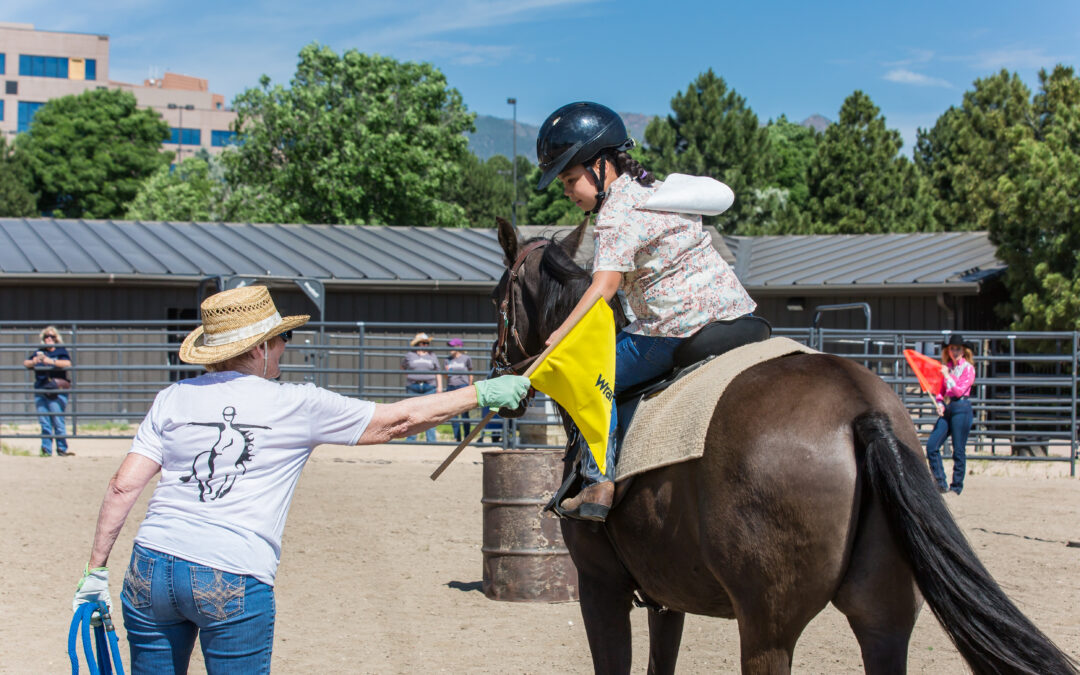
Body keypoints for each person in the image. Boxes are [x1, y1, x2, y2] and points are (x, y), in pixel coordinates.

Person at [70, 286, 530, 674]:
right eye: (281, 337)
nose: (285, 346)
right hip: (231, 567)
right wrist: (481, 392)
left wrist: (95, 570)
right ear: (257, 348)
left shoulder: (171, 397)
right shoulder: (295, 403)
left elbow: (122, 487)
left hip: (150, 565)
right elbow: (396, 421)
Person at [536, 102, 757, 521]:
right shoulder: (660, 197)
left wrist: (559, 336)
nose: (566, 192)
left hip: (673, 329)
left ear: (600, 165)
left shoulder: (615, 215)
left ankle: (598, 481)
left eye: (569, 179)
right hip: (738, 315)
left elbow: (604, 287)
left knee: (589, 377)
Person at [925, 334, 976, 495]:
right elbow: (941, 392)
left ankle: (956, 486)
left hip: (962, 407)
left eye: (958, 348)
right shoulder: (947, 367)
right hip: (950, 407)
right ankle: (940, 482)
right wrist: (939, 404)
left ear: (963, 350)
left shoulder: (968, 368)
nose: (955, 351)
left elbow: (959, 391)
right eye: (952, 348)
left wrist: (947, 375)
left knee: (958, 449)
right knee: (932, 446)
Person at [22, 325, 73, 457]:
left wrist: (49, 361)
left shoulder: (60, 351)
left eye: (52, 336)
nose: (49, 339)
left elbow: (67, 363)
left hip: (56, 390)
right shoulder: (39, 351)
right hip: (41, 388)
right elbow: (26, 363)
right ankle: (46, 449)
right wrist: (34, 361)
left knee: (57, 419)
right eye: (46, 336)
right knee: (44, 421)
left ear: (56, 338)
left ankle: (62, 448)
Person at [401, 332, 443, 442]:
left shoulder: (432, 355)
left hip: (429, 385)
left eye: (426, 343)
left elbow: (438, 371)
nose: (425, 345)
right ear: (418, 344)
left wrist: (440, 387)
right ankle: (411, 438)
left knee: (430, 413)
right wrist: (411, 376)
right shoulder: (410, 355)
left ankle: (431, 439)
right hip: (413, 385)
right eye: (423, 343)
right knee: (411, 413)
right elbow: (403, 367)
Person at [444, 338, 474, 442]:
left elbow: (470, 372)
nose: (451, 349)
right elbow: (447, 377)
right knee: (453, 414)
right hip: (451, 386)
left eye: (453, 346)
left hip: (463, 386)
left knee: (464, 413)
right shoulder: (447, 360)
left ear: (459, 347)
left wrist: (470, 386)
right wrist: (446, 372)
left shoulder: (466, 358)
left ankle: (467, 436)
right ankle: (457, 437)